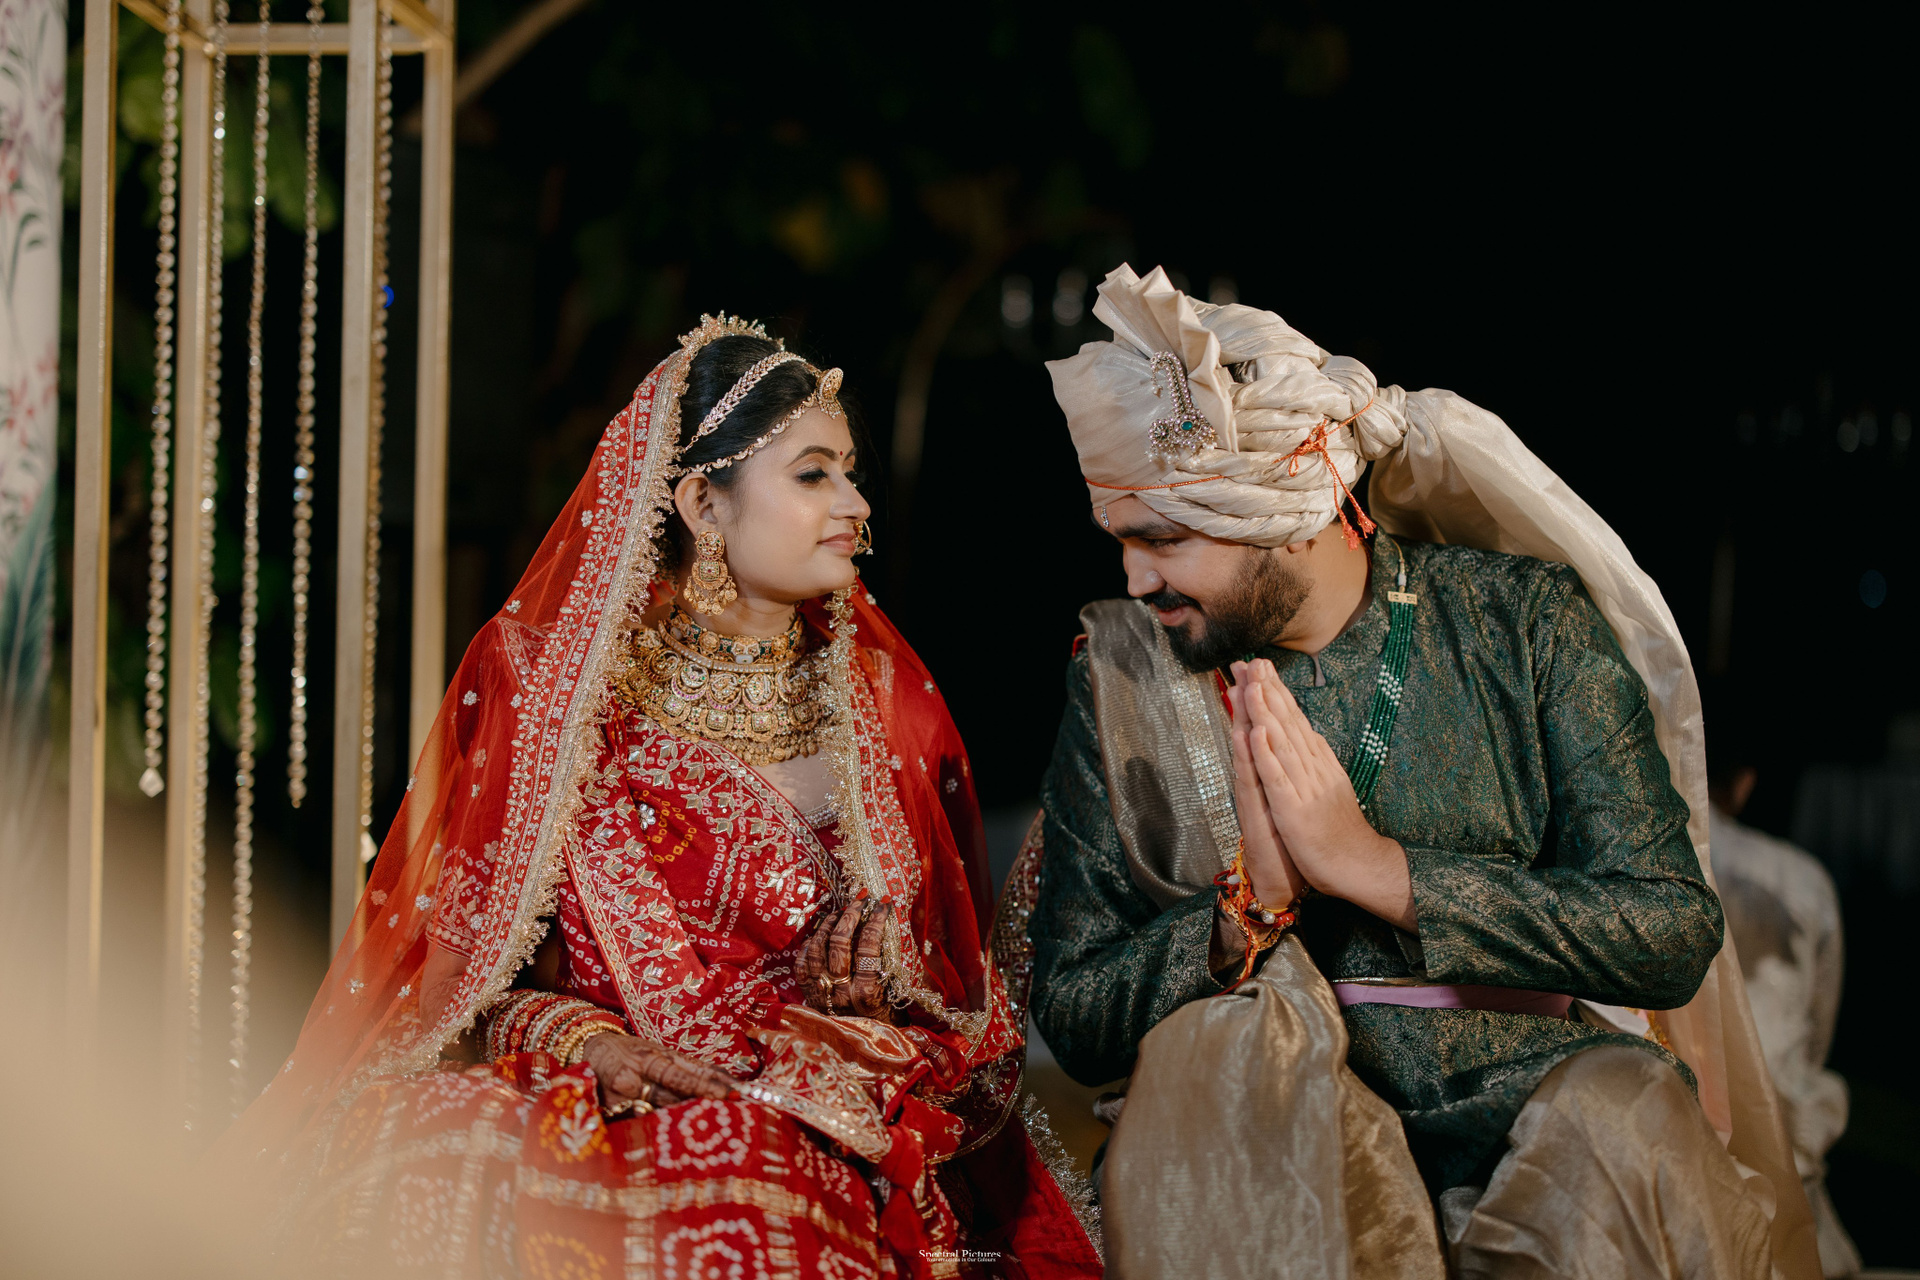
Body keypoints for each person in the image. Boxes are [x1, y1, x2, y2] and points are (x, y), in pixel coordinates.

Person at [214, 315, 1103, 1280]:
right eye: (813, 475)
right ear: (701, 503)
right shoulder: (555, 698)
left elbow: (960, 1016)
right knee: (423, 1148)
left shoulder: (889, 707)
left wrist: (867, 1009)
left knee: (751, 1185)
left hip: (808, 1116)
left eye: (850, 473)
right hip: (590, 1092)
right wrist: (593, 1044)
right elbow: (463, 994)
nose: (854, 503)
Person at [1022, 265, 1820, 1279]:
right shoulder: (1127, 672)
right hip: (1260, 1125)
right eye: (1122, 541)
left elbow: (1669, 928)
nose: (1137, 579)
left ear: (1293, 512)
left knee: (1625, 1127)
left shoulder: (1522, 623)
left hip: (1528, 1101)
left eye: (1165, 538)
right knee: (1215, 1115)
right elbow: (1076, 1012)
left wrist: (1378, 869)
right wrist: (1246, 906)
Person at [1705, 692, 1861, 1277]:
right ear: (1744, 782)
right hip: (1781, 1141)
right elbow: (1816, 1034)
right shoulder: (1804, 879)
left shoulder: (1634, 864)